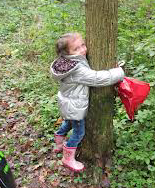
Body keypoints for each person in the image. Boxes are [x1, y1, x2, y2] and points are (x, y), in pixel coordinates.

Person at [50, 32, 124, 172]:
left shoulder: (65, 63)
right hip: (75, 107)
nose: (83, 50)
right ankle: (67, 158)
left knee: (68, 123)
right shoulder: (77, 69)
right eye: (76, 49)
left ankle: (59, 142)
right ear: (67, 53)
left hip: (67, 104)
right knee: (78, 132)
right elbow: (97, 78)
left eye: (83, 45)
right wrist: (118, 72)